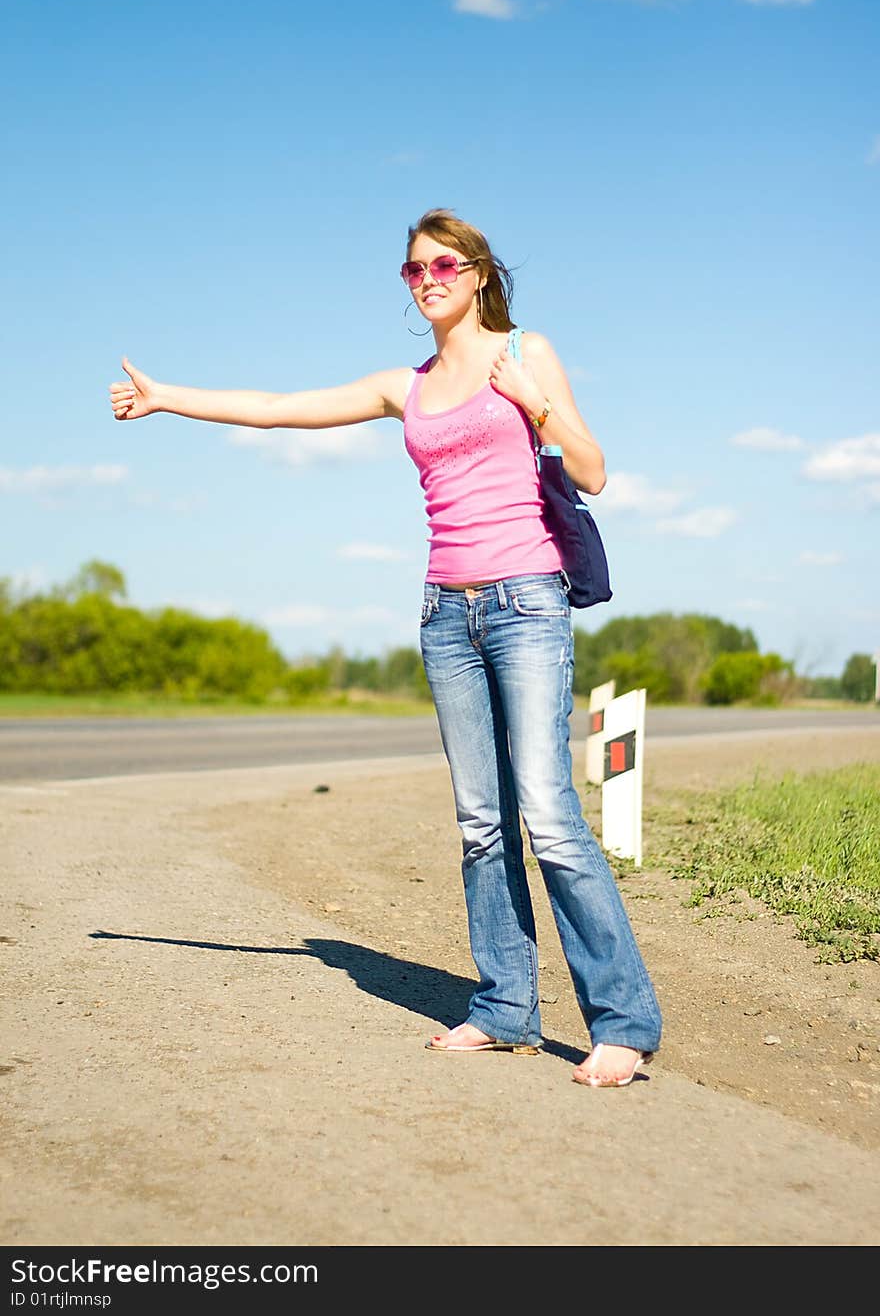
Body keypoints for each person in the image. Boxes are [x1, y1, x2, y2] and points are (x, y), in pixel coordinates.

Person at [108, 208, 662, 1087]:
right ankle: (506, 1008)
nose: (429, 278)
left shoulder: (526, 355)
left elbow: (593, 472)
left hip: (526, 604)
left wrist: (538, 408)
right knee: (482, 825)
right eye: (413, 270)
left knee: (549, 817)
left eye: (444, 263)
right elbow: (280, 409)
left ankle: (623, 1022)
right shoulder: (406, 387)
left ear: (478, 272)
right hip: (445, 614)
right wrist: (170, 397)